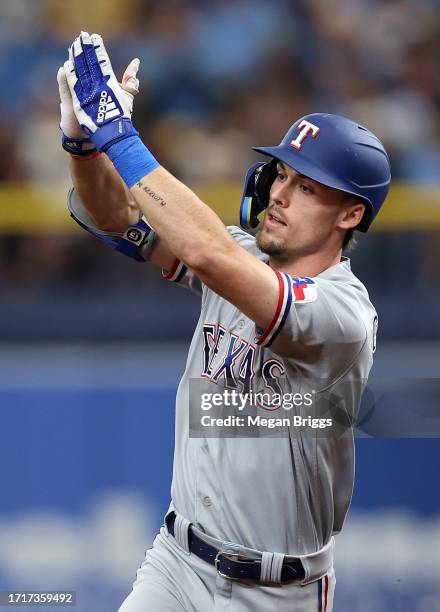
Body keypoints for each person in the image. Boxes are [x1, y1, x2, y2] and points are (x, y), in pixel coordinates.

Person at [58, 32, 391, 612]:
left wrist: (121, 136)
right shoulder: (240, 253)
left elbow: (213, 257)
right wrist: (85, 144)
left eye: (306, 187)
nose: (281, 194)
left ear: (351, 213)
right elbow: (114, 217)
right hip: (177, 563)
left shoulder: (345, 315)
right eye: (282, 175)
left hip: (278, 589)